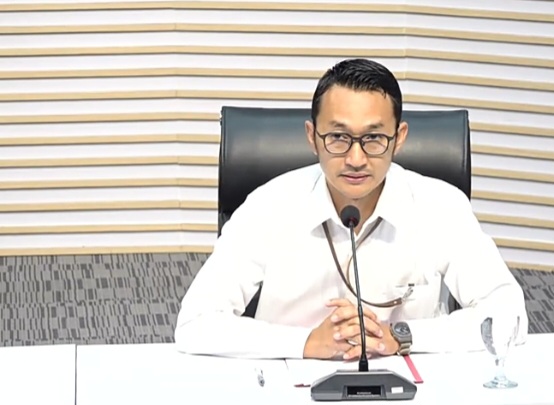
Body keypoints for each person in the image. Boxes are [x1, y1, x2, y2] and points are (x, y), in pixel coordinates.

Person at [174, 58, 528, 360]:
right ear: (312, 136)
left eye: (373, 138)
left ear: (399, 137)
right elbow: (195, 323)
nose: (356, 159)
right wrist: (306, 343)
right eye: (339, 137)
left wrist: (400, 336)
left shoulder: (440, 206)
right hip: (287, 382)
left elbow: (509, 314)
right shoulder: (268, 206)